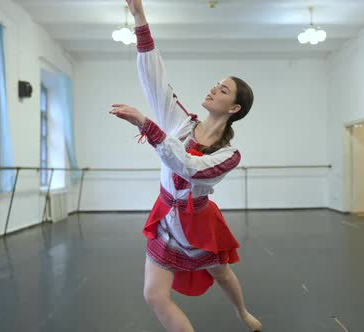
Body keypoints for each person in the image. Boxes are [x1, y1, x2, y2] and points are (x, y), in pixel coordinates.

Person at [109, 1, 262, 331]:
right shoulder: (180, 122)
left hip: (198, 222)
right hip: (165, 217)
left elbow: (188, 167)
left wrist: (147, 126)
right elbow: (155, 80)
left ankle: (242, 312)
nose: (213, 89)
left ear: (234, 107)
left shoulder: (228, 156)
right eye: (216, 83)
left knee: (220, 272)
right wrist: (139, 17)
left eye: (222, 90)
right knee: (154, 295)